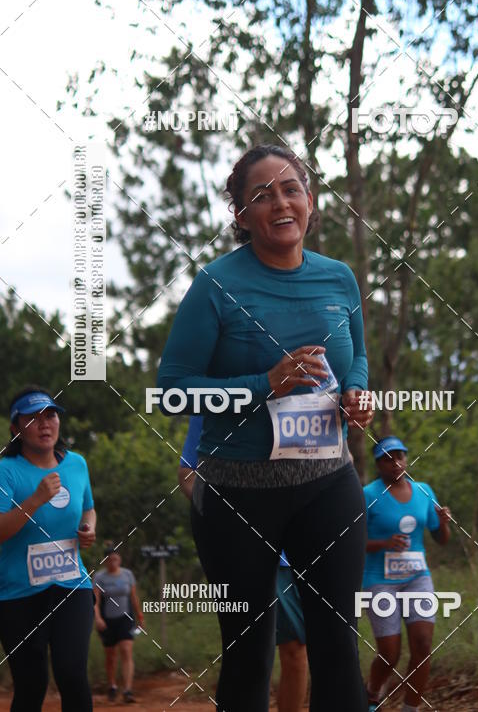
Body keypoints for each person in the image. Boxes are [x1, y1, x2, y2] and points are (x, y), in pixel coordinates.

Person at [158, 143, 374, 712]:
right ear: (242, 216)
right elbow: (172, 391)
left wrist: (355, 392)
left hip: (329, 484)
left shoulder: (339, 280)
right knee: (250, 656)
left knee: (337, 650)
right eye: (261, 195)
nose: (280, 202)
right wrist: (264, 384)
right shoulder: (216, 285)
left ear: (311, 200)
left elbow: (357, 359)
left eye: (290, 188)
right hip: (236, 497)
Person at [179, 416, 308, 712]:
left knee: (296, 648)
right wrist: (226, 517)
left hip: (295, 549)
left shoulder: (303, 395)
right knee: (248, 651)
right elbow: (187, 474)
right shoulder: (216, 401)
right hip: (245, 549)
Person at [0, 386, 96, 712]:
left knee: (72, 674)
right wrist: (35, 499)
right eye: (33, 418)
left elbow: (89, 508)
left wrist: (89, 527)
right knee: (31, 685)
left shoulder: (77, 464)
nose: (45, 424)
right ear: (16, 428)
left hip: (72, 585)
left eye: (50, 415)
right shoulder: (6, 471)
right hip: (18, 594)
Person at [363, 436, 451, 712]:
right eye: (388, 459)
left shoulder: (424, 491)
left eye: (400, 457)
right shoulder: (367, 495)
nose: (396, 463)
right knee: (390, 653)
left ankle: (410, 708)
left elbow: (441, 538)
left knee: (423, 645)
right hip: (380, 580)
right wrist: (383, 544)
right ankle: (373, 693)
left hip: (417, 577)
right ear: (378, 464)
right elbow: (352, 541)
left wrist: (445, 523)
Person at [93, 544, 145, 703]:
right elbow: (95, 600)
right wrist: (98, 618)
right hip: (107, 620)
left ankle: (128, 690)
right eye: (109, 559)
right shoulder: (100, 577)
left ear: (119, 559)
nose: (113, 562)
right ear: (105, 561)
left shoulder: (127, 575)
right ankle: (112, 686)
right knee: (110, 655)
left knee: (126, 650)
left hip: (125, 618)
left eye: (115, 559)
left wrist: (140, 616)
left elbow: (133, 597)